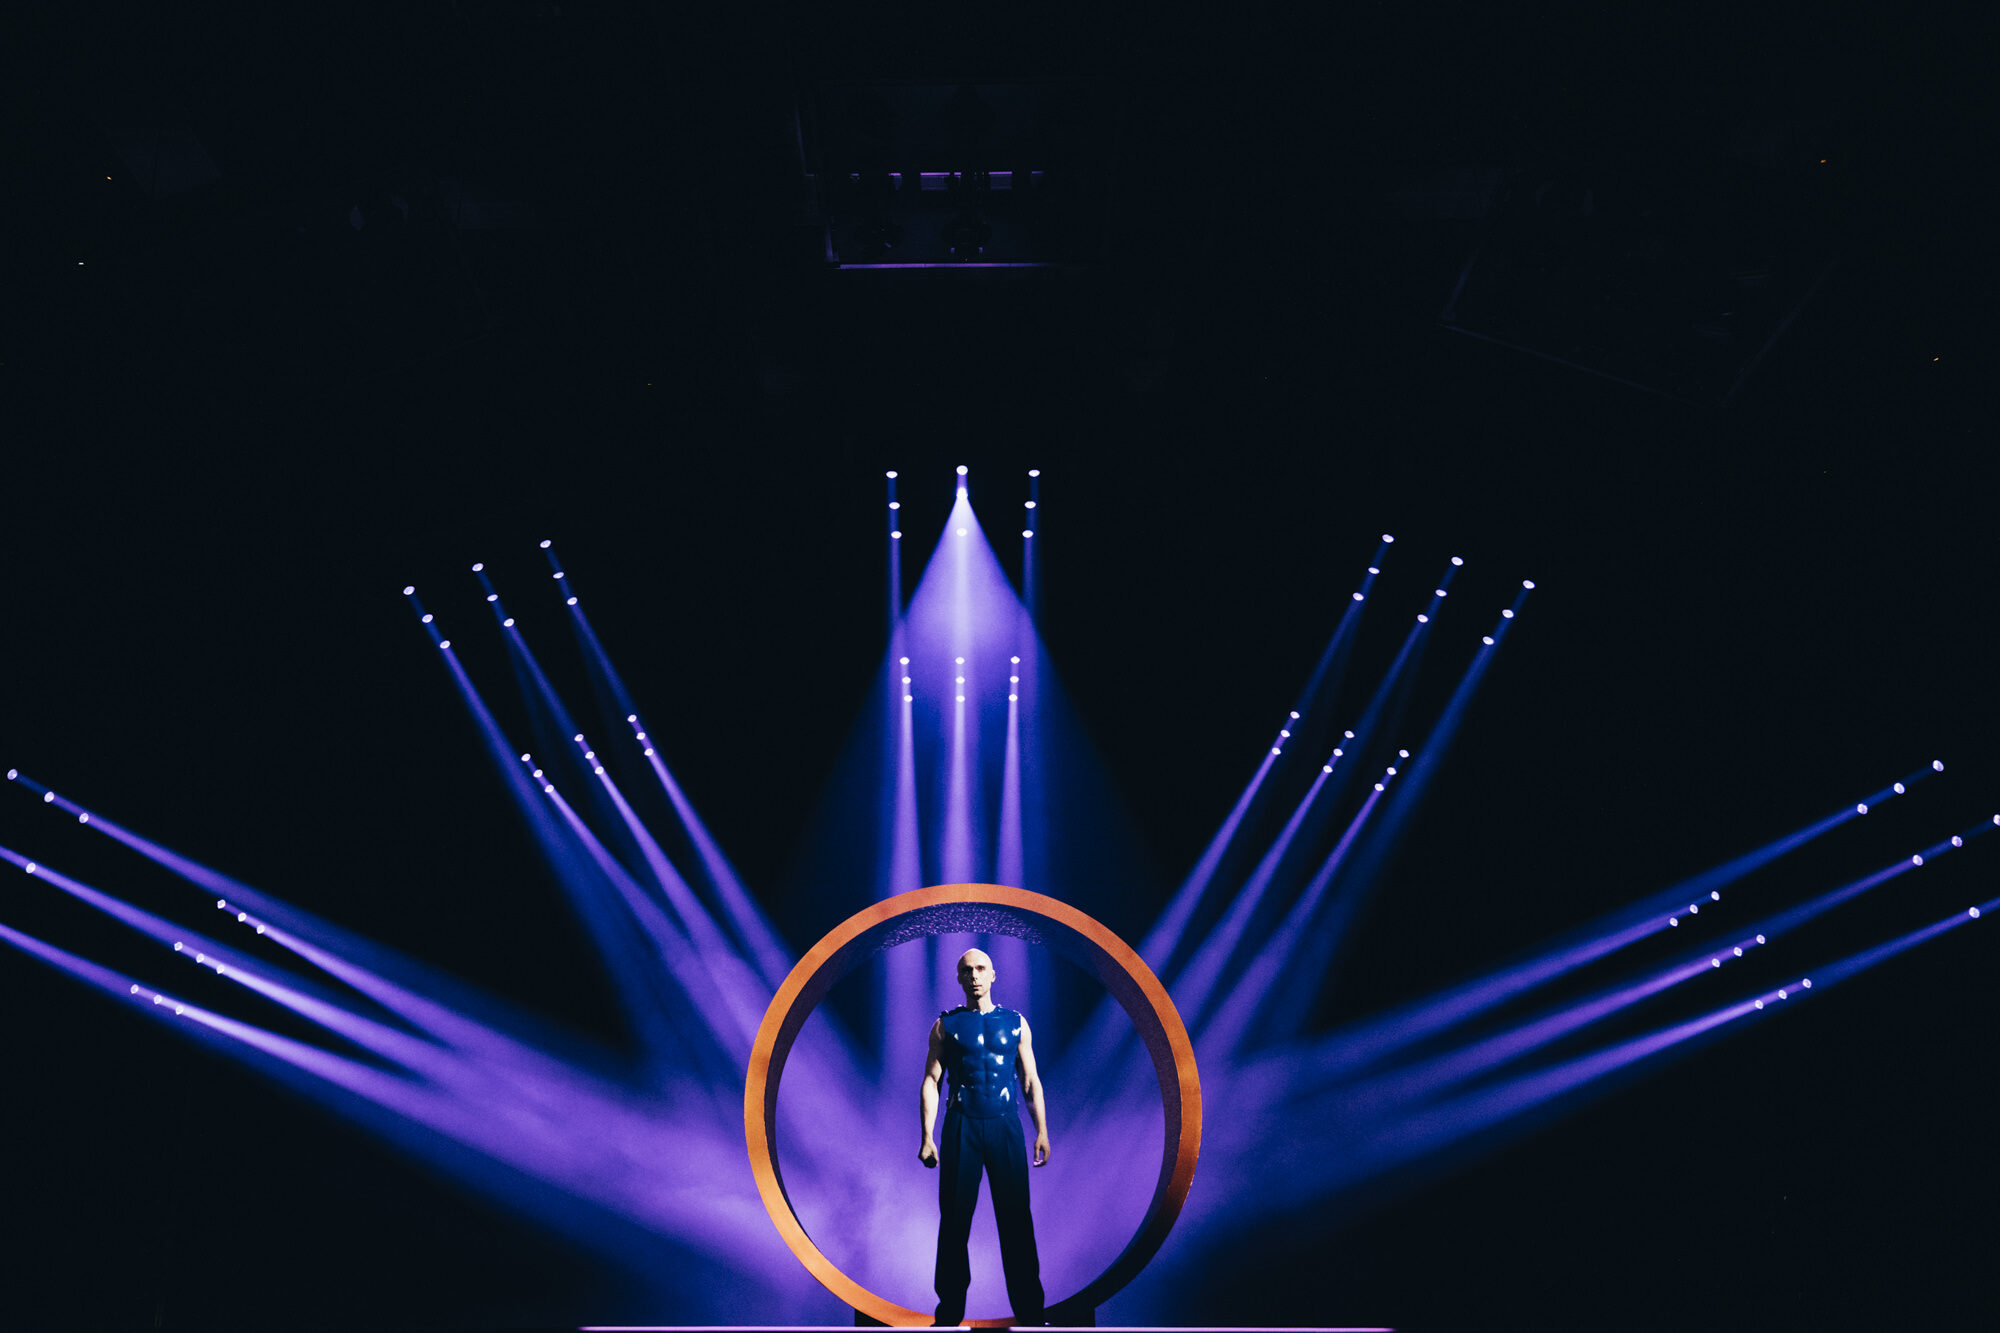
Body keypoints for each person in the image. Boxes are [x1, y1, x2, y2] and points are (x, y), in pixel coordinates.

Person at [918, 948, 1049, 1327]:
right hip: (962, 1125)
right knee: (955, 1221)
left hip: (1005, 1125)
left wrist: (1041, 1129)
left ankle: (1030, 1313)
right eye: (966, 970)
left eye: (980, 969)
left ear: (993, 975)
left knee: (1016, 1221)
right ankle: (949, 1315)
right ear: (958, 978)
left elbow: (1029, 1080)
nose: (974, 975)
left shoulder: (1016, 1023)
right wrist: (927, 1136)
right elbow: (931, 1080)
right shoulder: (946, 1025)